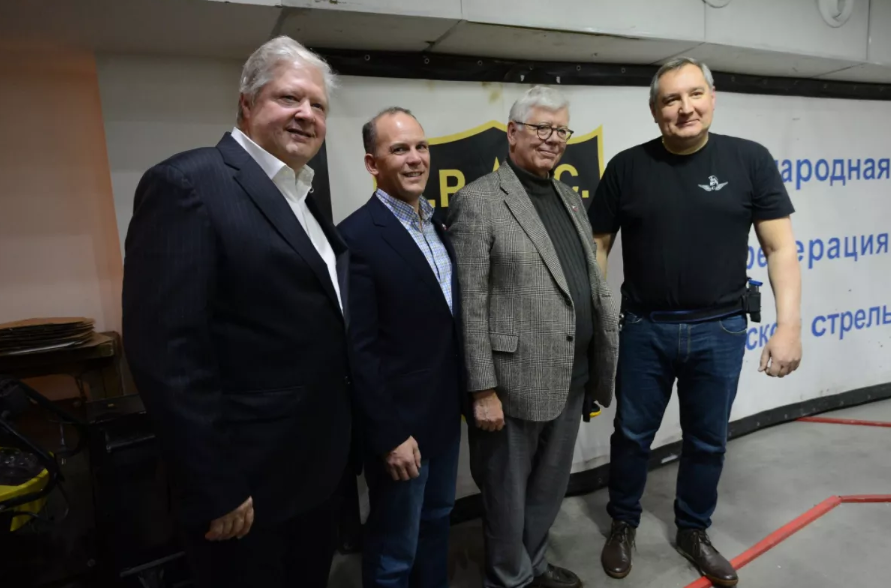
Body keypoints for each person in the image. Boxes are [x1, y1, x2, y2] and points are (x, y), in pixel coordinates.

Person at [121, 36, 351, 588]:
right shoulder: (189, 184)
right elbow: (168, 356)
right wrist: (215, 485)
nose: (307, 114)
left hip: (315, 472)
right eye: (289, 98)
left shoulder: (302, 195)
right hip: (246, 490)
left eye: (318, 105)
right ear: (246, 104)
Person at [591, 57, 802, 587]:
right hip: (644, 328)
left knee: (708, 440)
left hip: (721, 328)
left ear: (712, 98)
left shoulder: (750, 160)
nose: (685, 108)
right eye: (671, 99)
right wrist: (597, 316)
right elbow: (598, 245)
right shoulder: (626, 167)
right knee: (631, 435)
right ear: (654, 110)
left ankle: (693, 530)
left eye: (694, 94)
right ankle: (623, 522)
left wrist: (789, 327)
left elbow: (780, 248)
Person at [448, 86, 620, 588]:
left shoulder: (569, 197)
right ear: (513, 133)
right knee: (506, 494)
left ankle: (534, 565)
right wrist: (482, 390)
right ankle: (509, 577)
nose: (552, 139)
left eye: (560, 130)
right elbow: (469, 305)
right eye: (541, 127)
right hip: (511, 384)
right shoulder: (479, 201)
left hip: (572, 375)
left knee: (548, 489)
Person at [337, 107, 465, 588]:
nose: (415, 158)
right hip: (401, 429)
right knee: (395, 549)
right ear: (373, 164)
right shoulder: (355, 237)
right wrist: (389, 434)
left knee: (436, 525)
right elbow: (359, 350)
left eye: (420, 146)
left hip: (443, 418)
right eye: (399, 149)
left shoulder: (436, 225)